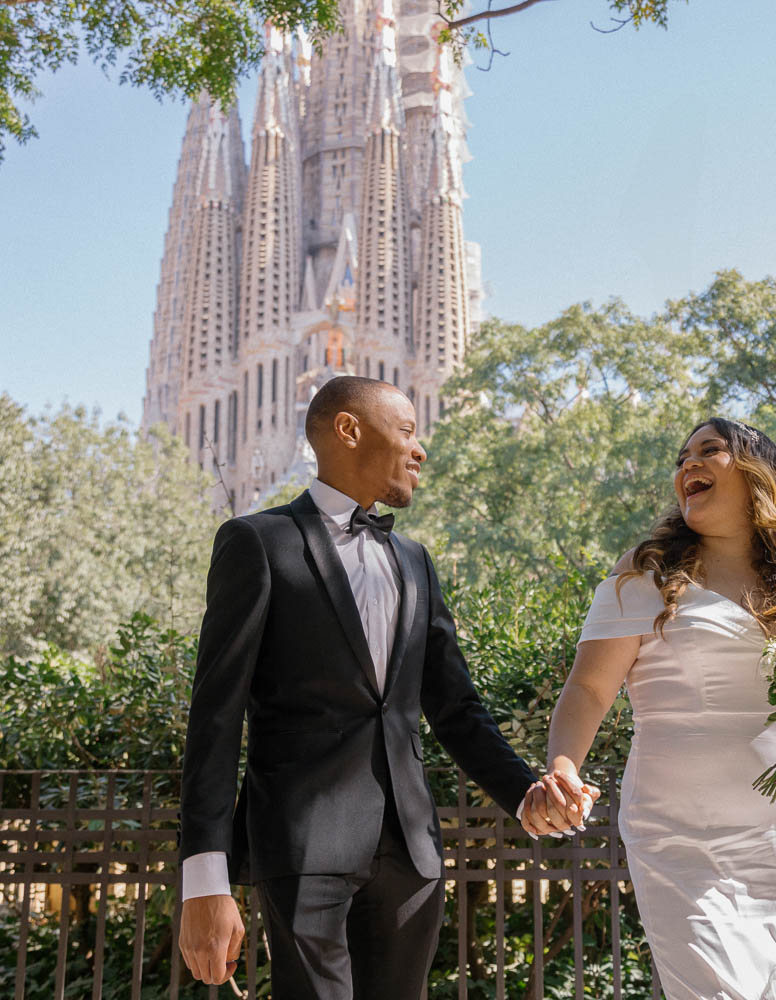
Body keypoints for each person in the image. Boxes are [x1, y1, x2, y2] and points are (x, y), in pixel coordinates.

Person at [177, 376, 591, 999]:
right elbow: (214, 717)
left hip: (413, 853)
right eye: (407, 431)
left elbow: (455, 709)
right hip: (303, 846)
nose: (420, 448)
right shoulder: (257, 542)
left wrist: (524, 794)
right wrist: (206, 879)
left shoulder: (415, 560)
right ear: (348, 430)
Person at [522, 417, 776, 1000]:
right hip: (680, 833)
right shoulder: (646, 569)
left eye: (709, 451)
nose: (688, 465)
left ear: (760, 472)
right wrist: (563, 766)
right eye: (682, 458)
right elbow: (587, 689)